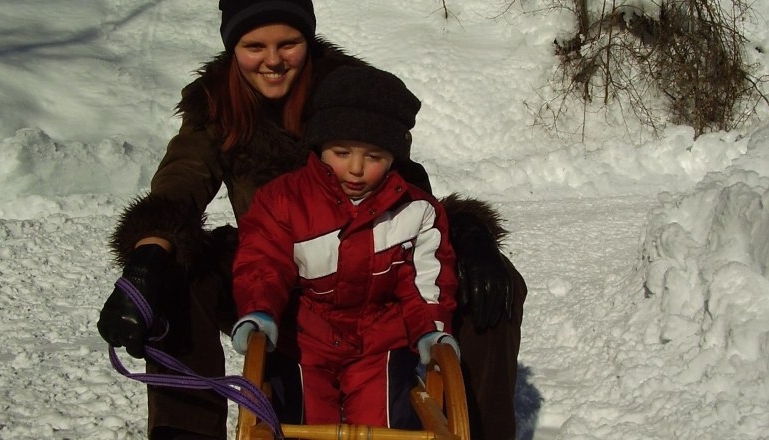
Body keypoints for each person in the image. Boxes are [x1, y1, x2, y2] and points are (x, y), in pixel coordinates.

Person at [96, 1, 527, 439]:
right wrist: (147, 260)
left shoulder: (345, 88)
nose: (272, 60)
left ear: (308, 39)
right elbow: (181, 183)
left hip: (359, 276)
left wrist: (469, 232)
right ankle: (186, 431)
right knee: (175, 271)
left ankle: (478, 427)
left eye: (288, 43)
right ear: (232, 47)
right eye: (254, 45)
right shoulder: (216, 103)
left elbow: (401, 189)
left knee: (493, 282)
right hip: (270, 274)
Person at [230, 64, 460, 428]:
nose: (355, 168)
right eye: (341, 152)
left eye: (373, 157)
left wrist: (431, 329)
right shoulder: (284, 201)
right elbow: (264, 262)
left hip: (378, 344)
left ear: (393, 157)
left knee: (383, 424)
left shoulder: (415, 211)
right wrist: (260, 310)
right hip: (305, 340)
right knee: (303, 425)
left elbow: (423, 282)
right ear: (319, 144)